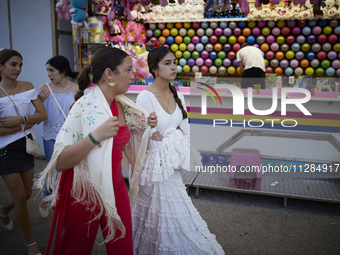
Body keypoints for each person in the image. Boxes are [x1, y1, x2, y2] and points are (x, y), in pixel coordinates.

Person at [34, 47, 157, 255]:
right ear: (109, 74)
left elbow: (127, 139)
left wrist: (145, 123)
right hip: (84, 190)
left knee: (123, 248)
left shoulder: (122, 105)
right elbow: (61, 161)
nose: (132, 76)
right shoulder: (83, 107)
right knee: (75, 249)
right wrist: (95, 136)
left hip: (115, 185)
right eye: (127, 70)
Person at [132, 46, 225, 255]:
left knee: (170, 219)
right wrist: (170, 136)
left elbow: (186, 132)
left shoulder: (177, 95)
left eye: (174, 62)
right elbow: (146, 139)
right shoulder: (145, 97)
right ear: (154, 69)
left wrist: (168, 137)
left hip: (172, 168)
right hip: (155, 170)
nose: (173, 67)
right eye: (167, 63)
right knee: (161, 220)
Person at [0, 49, 47, 255]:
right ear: (1, 66)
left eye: (20, 65)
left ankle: (3, 210)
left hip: (27, 145)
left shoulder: (27, 86)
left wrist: (20, 121)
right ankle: (30, 242)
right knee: (19, 197)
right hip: (4, 150)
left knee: (27, 194)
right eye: (13, 65)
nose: (18, 69)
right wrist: (27, 124)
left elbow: (42, 114)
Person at [37, 56, 79, 218]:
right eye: (47, 70)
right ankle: (55, 206)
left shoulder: (76, 89)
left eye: (51, 70)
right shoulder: (44, 89)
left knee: (68, 170)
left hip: (70, 136)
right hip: (50, 135)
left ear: (62, 72)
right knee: (53, 169)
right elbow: (37, 115)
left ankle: (52, 199)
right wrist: (39, 101)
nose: (48, 74)